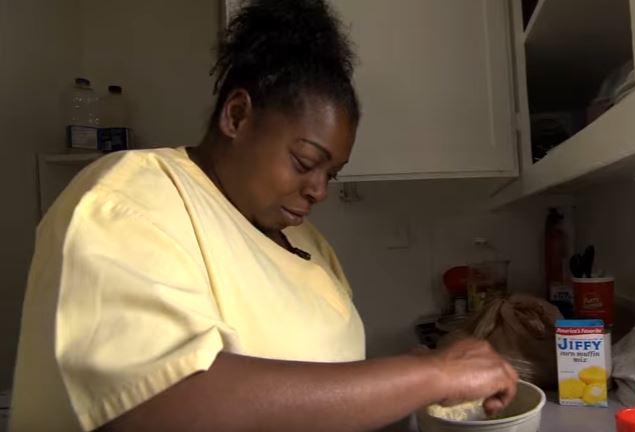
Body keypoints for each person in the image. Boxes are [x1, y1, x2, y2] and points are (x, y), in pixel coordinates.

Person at [9, 0, 518, 431]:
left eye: (332, 174)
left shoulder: (308, 244)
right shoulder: (133, 195)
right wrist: (430, 376)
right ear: (237, 116)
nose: (319, 190)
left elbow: (326, 381)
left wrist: (425, 365)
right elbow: (151, 402)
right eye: (305, 161)